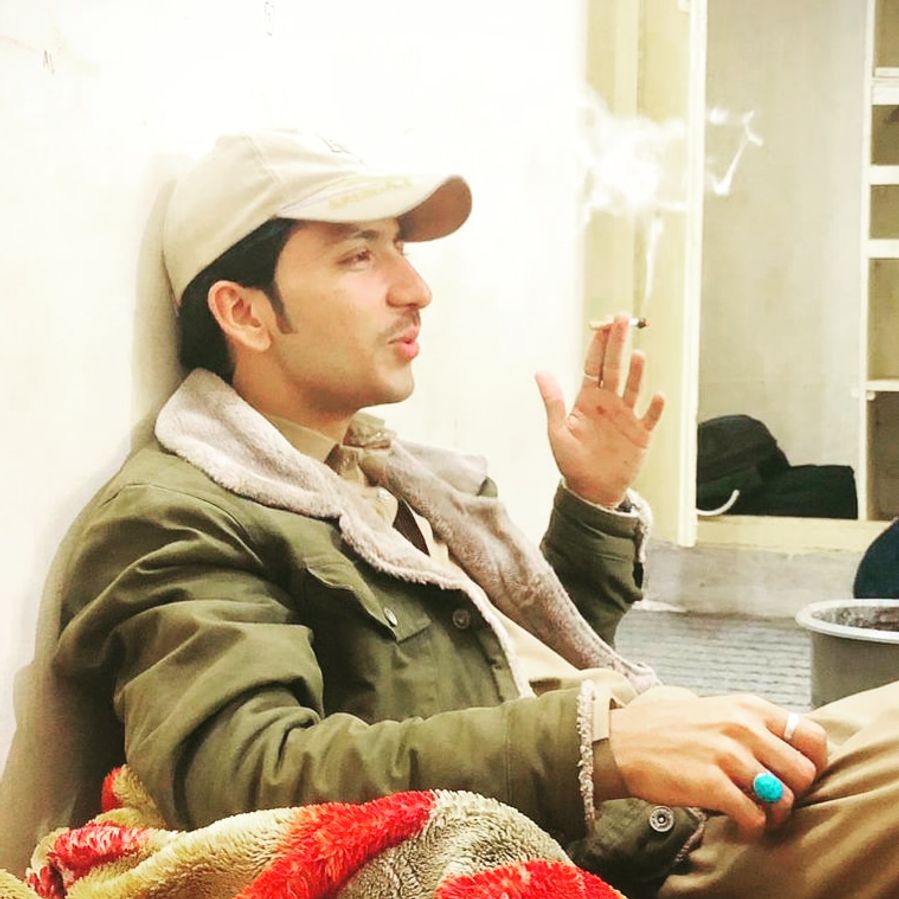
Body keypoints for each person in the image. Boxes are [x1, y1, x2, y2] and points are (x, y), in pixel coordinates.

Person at [54, 130, 899, 898]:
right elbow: (247, 776)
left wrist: (593, 502)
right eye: (359, 256)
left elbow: (498, 665)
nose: (414, 288)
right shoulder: (176, 515)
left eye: (399, 248)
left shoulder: (382, 468)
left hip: (664, 808)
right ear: (244, 311)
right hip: (621, 858)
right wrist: (606, 745)